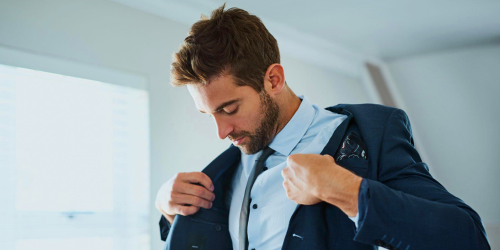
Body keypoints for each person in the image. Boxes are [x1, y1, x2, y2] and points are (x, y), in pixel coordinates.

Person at [155, 4, 491, 250]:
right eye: (209, 113)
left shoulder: (371, 135)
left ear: (273, 79)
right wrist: (169, 213)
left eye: (229, 108)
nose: (221, 132)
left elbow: (466, 237)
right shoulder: (224, 170)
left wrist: (344, 189)